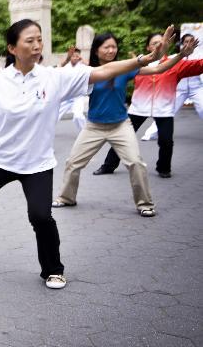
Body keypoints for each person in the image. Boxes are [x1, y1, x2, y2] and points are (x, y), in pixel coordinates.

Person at [0, 19, 171, 289]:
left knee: (41, 217)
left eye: (39, 39)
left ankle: (53, 270)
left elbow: (103, 71)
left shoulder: (55, 78)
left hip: (37, 164)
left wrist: (142, 60)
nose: (37, 45)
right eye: (30, 40)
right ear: (13, 48)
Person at [53, 28, 186, 216]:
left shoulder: (126, 68)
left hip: (120, 126)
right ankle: (66, 197)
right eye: (106, 47)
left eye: (114, 47)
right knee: (73, 162)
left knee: (136, 163)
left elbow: (158, 68)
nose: (111, 50)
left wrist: (181, 54)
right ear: (96, 50)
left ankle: (145, 204)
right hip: (94, 126)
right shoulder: (88, 71)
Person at [92, 32, 200, 178]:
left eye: (162, 42)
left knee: (166, 141)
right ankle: (108, 166)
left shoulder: (176, 63)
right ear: (148, 47)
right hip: (138, 108)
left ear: (167, 44)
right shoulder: (137, 64)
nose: (159, 45)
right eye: (155, 43)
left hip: (164, 109)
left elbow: (199, 65)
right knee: (121, 138)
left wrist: (182, 54)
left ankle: (163, 168)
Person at [140, 33, 203, 141]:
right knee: (166, 110)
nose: (188, 43)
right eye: (186, 42)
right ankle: (151, 134)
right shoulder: (173, 58)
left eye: (191, 41)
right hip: (180, 90)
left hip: (196, 88)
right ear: (181, 44)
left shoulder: (198, 55)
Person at [56, 47, 88, 133]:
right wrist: (67, 58)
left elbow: (91, 66)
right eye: (73, 56)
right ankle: (45, 131)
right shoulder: (66, 66)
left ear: (79, 57)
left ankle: (84, 133)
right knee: (54, 114)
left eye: (77, 56)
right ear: (70, 57)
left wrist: (82, 59)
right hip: (66, 96)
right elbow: (58, 67)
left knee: (78, 116)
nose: (74, 58)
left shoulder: (82, 67)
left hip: (77, 96)